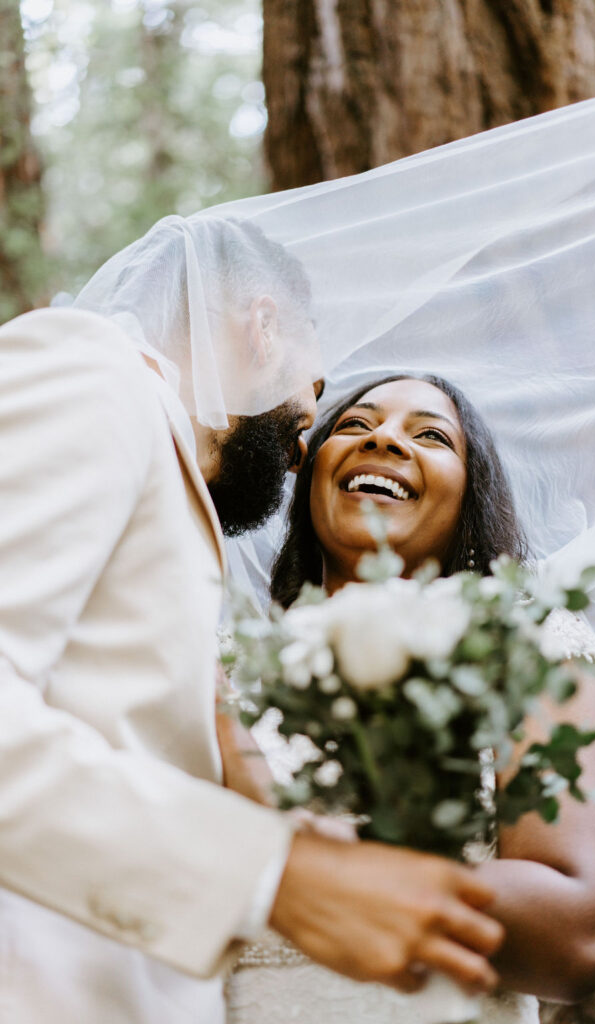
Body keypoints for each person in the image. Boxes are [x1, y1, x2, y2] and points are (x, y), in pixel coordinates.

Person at [0, 221, 505, 1024]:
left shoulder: (162, 470)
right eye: (320, 387)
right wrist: (270, 878)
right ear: (263, 328)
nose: (306, 441)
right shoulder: (86, 372)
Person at [225, 374, 595, 1024]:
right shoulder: (226, 674)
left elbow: (576, 936)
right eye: (354, 426)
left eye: (430, 435)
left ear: (471, 496)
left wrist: (329, 871)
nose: (382, 437)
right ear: (309, 480)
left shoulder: (525, 644)